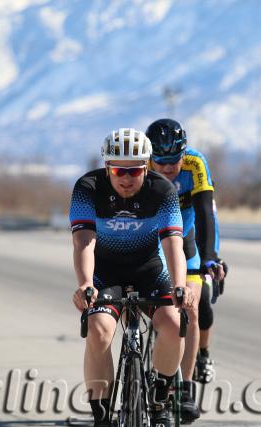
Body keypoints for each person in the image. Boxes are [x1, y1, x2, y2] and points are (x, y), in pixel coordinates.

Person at [69, 128, 194, 427]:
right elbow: (84, 241)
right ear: (107, 167)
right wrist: (85, 283)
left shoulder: (162, 191)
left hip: (149, 269)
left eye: (135, 171)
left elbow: (173, 244)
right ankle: (101, 415)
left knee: (175, 322)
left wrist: (180, 284)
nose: (126, 178)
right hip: (105, 273)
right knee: (99, 331)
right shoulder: (87, 188)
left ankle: (161, 400)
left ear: (146, 167)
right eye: (118, 170)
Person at [146, 118, 228, 422]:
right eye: (161, 162)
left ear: (184, 153)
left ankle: (185, 389)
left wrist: (210, 257)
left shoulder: (195, 164)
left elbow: (206, 213)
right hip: (151, 241)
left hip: (186, 239)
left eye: (173, 161)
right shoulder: (140, 164)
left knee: (192, 308)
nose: (168, 168)